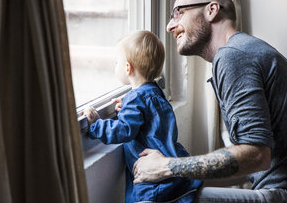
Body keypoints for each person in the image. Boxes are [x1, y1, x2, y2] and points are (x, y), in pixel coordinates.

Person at [132, 0, 287, 202]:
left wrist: (167, 166)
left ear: (211, 10)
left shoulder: (233, 55)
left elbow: (256, 155)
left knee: (164, 198)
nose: (169, 26)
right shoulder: (242, 50)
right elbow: (255, 161)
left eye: (178, 13)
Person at [83, 30, 202, 203]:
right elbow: (148, 120)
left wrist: (96, 124)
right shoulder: (154, 92)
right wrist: (124, 111)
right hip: (170, 160)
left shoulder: (136, 97)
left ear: (127, 68)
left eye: (117, 62)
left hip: (152, 183)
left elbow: (124, 131)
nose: (115, 66)